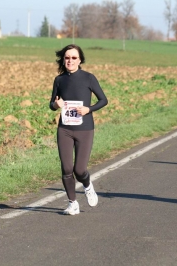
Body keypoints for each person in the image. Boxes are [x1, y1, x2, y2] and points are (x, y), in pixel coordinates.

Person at [49, 44, 108, 215]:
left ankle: (88, 186)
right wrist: (55, 104)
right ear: (64, 60)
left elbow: (103, 100)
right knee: (66, 168)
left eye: (74, 58)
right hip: (65, 129)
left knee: (79, 170)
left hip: (84, 128)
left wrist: (89, 109)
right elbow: (52, 104)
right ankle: (72, 203)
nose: (70, 60)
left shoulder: (89, 78)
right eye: (67, 57)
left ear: (80, 60)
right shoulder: (59, 80)